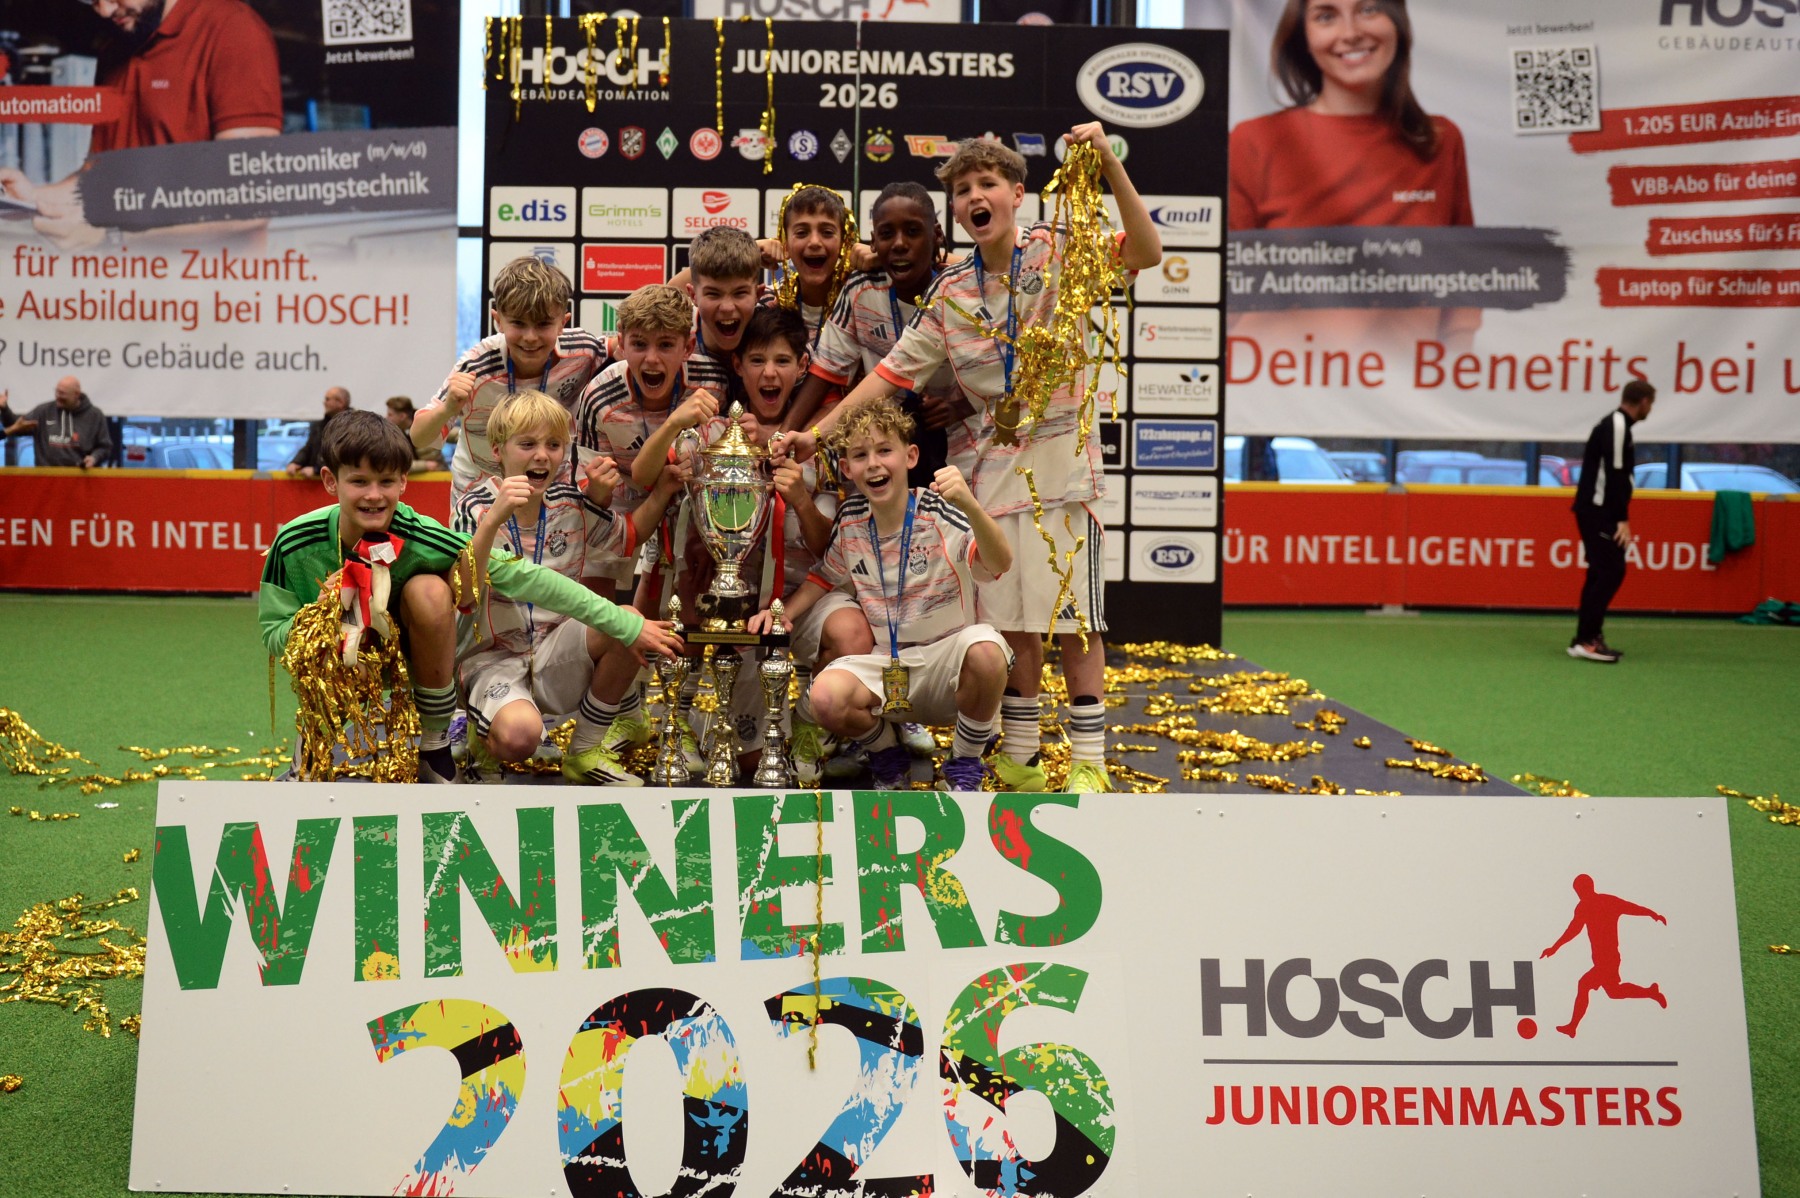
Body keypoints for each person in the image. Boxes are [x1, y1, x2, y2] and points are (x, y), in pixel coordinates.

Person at [777, 125, 1161, 794]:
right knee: (1011, 623)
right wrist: (820, 434)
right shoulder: (952, 291)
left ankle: (1090, 761)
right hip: (983, 479)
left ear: (1017, 194)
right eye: (962, 190)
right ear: (955, 210)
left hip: (1063, 472)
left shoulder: (1057, 252)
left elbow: (1147, 252)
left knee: (1075, 620)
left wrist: (1106, 162)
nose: (976, 197)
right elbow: (891, 373)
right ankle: (1020, 757)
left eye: (988, 184)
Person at [258, 410, 678, 783]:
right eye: (358, 482)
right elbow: (273, 634)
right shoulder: (293, 543)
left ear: (403, 482)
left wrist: (627, 624)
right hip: (347, 665)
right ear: (330, 481)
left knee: (429, 591)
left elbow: (528, 578)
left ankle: (435, 744)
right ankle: (313, 742)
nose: (374, 495)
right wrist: (323, 616)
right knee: (332, 633)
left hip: (415, 665)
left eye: (386, 481)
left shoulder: (422, 534)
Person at [634, 307, 875, 785]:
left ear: (802, 367)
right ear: (738, 366)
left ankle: (807, 726)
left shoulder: (821, 443)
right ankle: (688, 721)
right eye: (758, 360)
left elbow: (832, 549)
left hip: (807, 595)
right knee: (749, 765)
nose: (769, 373)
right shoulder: (713, 435)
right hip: (740, 607)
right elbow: (651, 482)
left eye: (782, 361)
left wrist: (801, 499)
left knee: (850, 633)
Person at [749, 399, 1012, 792]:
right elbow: (825, 577)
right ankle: (887, 757)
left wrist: (971, 506)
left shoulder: (940, 510)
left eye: (884, 450)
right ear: (847, 468)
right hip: (887, 667)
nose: (873, 464)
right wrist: (782, 612)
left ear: (910, 456)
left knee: (987, 651)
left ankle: (964, 764)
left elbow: (1000, 562)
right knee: (825, 696)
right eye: (860, 455)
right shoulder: (851, 519)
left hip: (945, 668)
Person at [454, 390, 684, 785]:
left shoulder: (570, 503)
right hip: (493, 658)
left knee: (627, 621)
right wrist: (493, 521)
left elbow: (627, 538)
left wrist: (662, 490)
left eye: (553, 445)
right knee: (519, 738)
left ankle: (585, 752)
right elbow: (464, 593)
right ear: (497, 449)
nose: (542, 456)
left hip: (553, 651)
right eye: (527, 444)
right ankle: (483, 741)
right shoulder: (472, 507)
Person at [1228, 0, 1478, 354]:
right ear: (1303, 35)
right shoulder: (1255, 140)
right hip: (1276, 378)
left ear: (1397, 23)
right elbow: (1226, 285)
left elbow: (1461, 283)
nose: (1350, 33)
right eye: (1326, 16)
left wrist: (1455, 364)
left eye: (1369, 9)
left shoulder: (1439, 141)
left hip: (1401, 381)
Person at [0, 0, 282, 250]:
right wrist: (30, 198)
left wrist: (113, 232)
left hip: (208, 287)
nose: (104, 10)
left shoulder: (232, 28)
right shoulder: (114, 51)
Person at [789, 181, 974, 486]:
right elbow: (824, 372)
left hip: (963, 451)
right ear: (873, 242)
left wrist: (959, 407)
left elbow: (1002, 374)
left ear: (937, 235)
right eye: (887, 234)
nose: (899, 244)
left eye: (913, 231)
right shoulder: (861, 291)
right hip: (884, 455)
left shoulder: (963, 292)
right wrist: (783, 435)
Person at [573, 283, 731, 604]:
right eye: (639, 344)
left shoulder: (712, 382)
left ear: (688, 347)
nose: (652, 359)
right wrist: (598, 489)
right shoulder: (599, 396)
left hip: (682, 488)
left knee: (691, 584)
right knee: (594, 580)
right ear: (621, 343)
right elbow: (591, 494)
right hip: (622, 488)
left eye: (666, 345)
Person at [413, 256, 609, 506]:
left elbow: (633, 345)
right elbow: (419, 438)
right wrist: (448, 408)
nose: (530, 337)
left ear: (563, 323)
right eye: (518, 323)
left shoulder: (583, 351)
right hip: (480, 493)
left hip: (551, 490)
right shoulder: (476, 367)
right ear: (498, 320)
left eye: (543, 324)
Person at [1569, 378, 1655, 663]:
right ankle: (1588, 641)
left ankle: (1584, 638)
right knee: (1611, 572)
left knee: (1599, 572)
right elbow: (1616, 473)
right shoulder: (1617, 425)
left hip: (1596, 510)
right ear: (1643, 402)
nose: (1650, 410)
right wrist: (1621, 518)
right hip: (1599, 511)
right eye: (1650, 404)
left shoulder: (1619, 426)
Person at [1540, 873, 1667, 1037]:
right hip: (1605, 959)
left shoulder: (1598, 903)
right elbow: (1573, 930)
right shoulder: (1595, 904)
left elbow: (1631, 908)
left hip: (1607, 960)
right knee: (1614, 992)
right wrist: (1554, 947)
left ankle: (1572, 1027)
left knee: (1584, 984)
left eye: (1578, 890)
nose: (1578, 894)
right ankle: (1651, 992)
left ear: (1585, 888)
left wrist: (1652, 914)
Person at [1, 378, 113, 468]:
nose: (58, 397)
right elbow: (15, 427)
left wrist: (94, 458)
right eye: (57, 392)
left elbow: (105, 447)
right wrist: (5, 409)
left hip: (80, 479)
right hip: (46, 479)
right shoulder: (44, 411)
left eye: (62, 393)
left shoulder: (95, 415)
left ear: (76, 394)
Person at [284, 386, 350, 479]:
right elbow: (309, 447)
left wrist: (317, 470)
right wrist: (295, 462)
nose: (324, 402)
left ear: (340, 403)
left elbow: (342, 454)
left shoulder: (352, 427)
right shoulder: (319, 426)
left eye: (327, 399)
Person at [384, 397, 443, 474]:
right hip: (415, 475)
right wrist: (425, 465)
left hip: (438, 473)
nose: (386, 417)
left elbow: (453, 434)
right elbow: (396, 464)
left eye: (390, 415)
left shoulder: (426, 425)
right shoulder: (392, 436)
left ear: (402, 416)